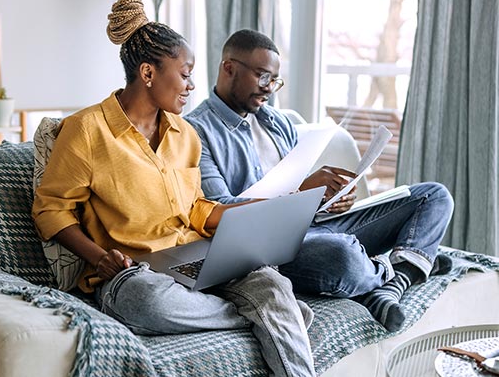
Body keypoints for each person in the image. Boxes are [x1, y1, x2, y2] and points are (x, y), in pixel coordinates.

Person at [32, 0, 375, 377]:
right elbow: (51, 209)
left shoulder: (183, 135)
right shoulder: (87, 130)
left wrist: (243, 219)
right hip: (132, 272)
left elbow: (194, 208)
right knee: (148, 304)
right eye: (186, 72)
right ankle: (271, 320)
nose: (193, 84)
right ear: (148, 74)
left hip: (197, 253)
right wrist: (98, 256)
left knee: (271, 282)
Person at [185, 29, 454, 333]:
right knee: (342, 256)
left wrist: (327, 199)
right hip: (267, 248)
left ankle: (390, 284)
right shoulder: (195, 132)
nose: (269, 89)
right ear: (229, 67)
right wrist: (300, 193)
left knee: (434, 196)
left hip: (315, 226)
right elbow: (218, 211)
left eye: (275, 80)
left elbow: (302, 193)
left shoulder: (278, 122)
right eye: (262, 77)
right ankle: (408, 267)